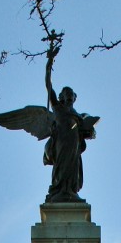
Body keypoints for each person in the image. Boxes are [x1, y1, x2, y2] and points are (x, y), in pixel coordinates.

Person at [43, 49, 99, 203]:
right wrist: (49, 64)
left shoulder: (80, 116)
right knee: (61, 167)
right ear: (60, 97)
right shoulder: (58, 109)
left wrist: (91, 132)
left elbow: (91, 133)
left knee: (73, 170)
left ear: (75, 98)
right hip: (61, 141)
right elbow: (48, 86)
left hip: (74, 144)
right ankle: (60, 191)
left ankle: (70, 192)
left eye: (71, 94)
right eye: (65, 94)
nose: (68, 96)